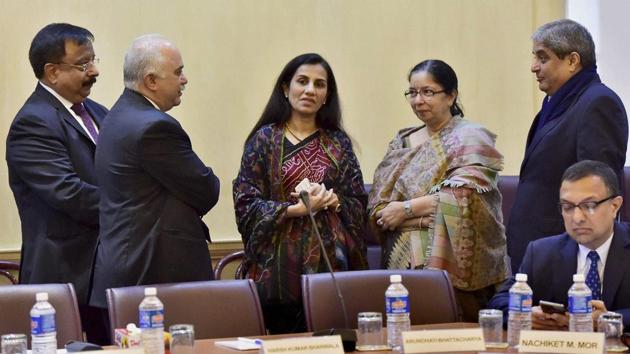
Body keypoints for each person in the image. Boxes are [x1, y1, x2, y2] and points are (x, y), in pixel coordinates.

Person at [233, 53, 368, 334]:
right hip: (276, 269)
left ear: (327, 95)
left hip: (331, 266)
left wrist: (335, 200)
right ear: (286, 88)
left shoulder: (338, 143)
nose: (310, 90)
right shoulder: (265, 139)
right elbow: (245, 202)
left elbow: (357, 202)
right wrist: (294, 210)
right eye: (302, 81)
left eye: (319, 84)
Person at [368, 59, 509, 322]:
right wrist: (412, 215)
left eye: (428, 92)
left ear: (451, 95)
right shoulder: (402, 141)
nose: (418, 100)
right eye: (412, 92)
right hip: (399, 255)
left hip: (453, 264)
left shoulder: (472, 138)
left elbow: (467, 198)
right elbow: (380, 206)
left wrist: (405, 210)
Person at [89, 34, 220, 309]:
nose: (184, 80)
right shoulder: (154, 128)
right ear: (151, 81)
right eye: (178, 72)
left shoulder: (117, 116)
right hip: (153, 277)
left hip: (128, 271)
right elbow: (207, 189)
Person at [6, 23, 109, 344]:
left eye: (94, 61)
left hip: (106, 273)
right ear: (51, 72)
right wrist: (131, 208)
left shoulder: (98, 112)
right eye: (82, 64)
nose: (94, 71)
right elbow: (69, 194)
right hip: (64, 277)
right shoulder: (33, 121)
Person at [507, 19, 628, 273]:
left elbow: (595, 189)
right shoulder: (557, 102)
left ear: (573, 61)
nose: (533, 67)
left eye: (543, 58)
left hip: (565, 256)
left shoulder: (598, 103)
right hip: (537, 248)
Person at [489, 160, 630, 329]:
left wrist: (610, 320)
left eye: (589, 206)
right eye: (568, 207)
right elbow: (500, 301)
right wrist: (525, 315)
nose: (577, 218)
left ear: (614, 206)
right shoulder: (542, 252)